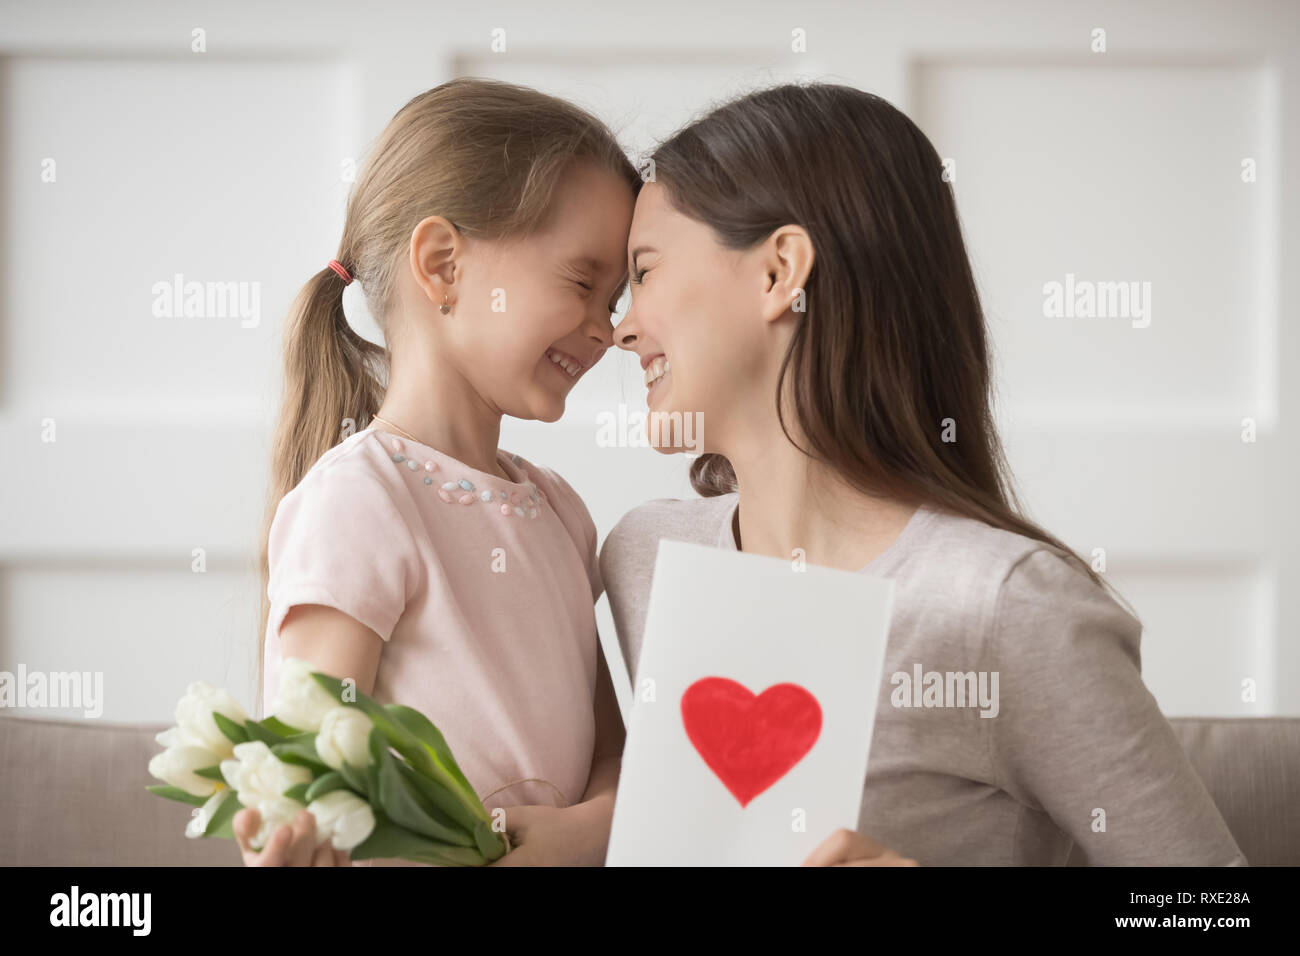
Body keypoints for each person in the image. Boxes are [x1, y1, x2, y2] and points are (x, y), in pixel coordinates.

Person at [599, 82, 1247, 866]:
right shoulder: (645, 558)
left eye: (645, 271)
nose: (623, 328)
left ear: (778, 274)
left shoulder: (1005, 607)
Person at [235, 77, 635, 866]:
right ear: (444, 265)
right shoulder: (360, 501)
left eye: (616, 299)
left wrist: (590, 831)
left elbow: (610, 752)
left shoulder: (560, 512)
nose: (606, 330)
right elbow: (309, 767)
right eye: (585, 284)